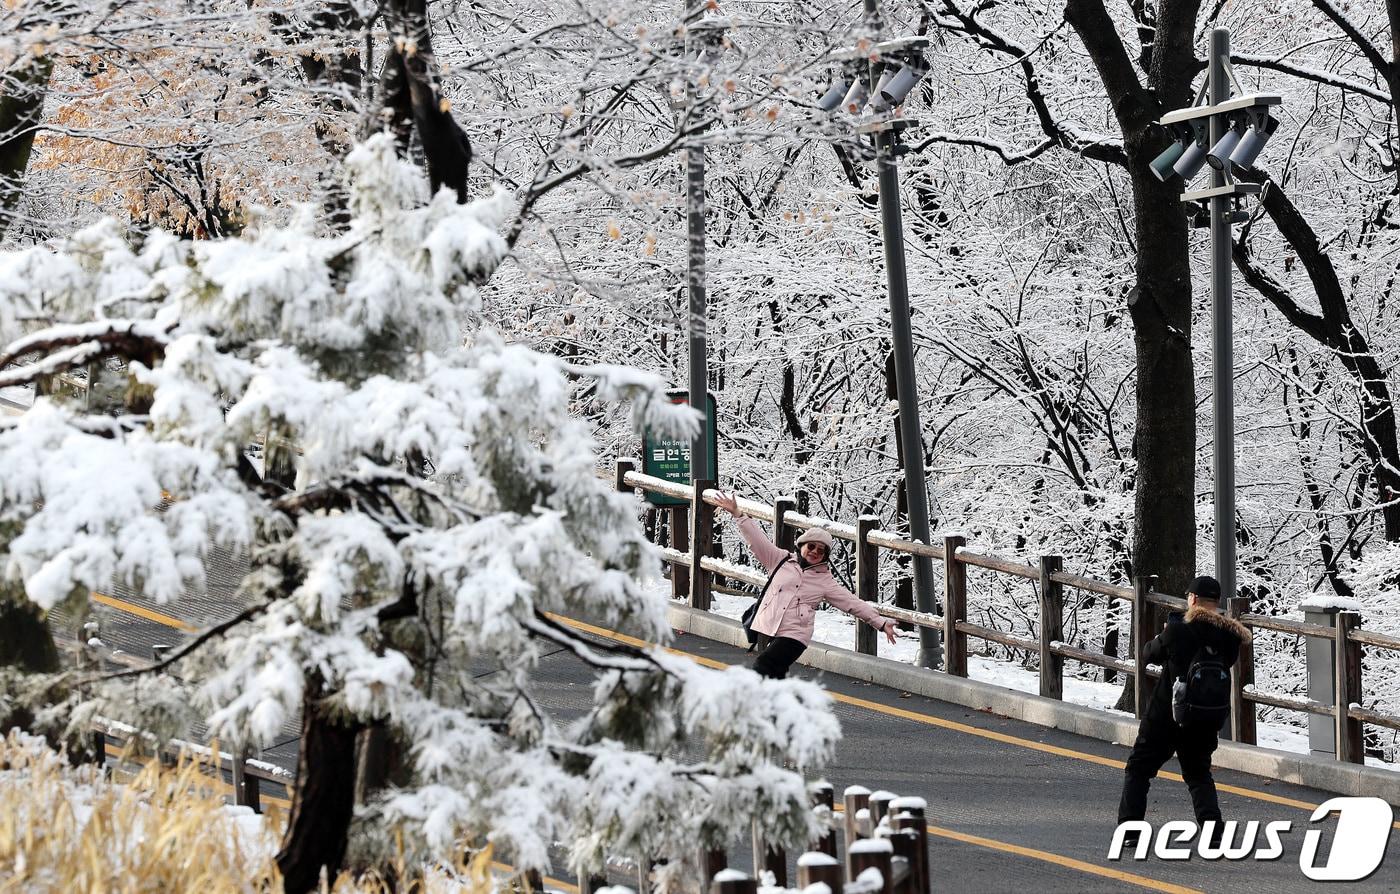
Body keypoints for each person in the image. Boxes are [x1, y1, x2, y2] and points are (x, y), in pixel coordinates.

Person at [1117, 575, 1251, 843]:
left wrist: (1165, 633)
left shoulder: (1177, 630)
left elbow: (1148, 653)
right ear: (1217, 602)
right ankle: (1213, 834)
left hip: (1165, 716)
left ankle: (1131, 831)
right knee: (1199, 774)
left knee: (1139, 769)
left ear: (1191, 599)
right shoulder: (1230, 638)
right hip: (1204, 718)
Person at [713, 492, 897, 679]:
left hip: (796, 635)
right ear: (802, 546)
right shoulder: (780, 560)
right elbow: (756, 540)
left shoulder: (825, 580)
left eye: (821, 550)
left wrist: (881, 623)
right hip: (771, 628)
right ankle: (782, 707)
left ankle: (745, 702)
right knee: (775, 675)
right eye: (811, 546)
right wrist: (737, 514)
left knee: (764, 665)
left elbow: (852, 603)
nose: (815, 552)